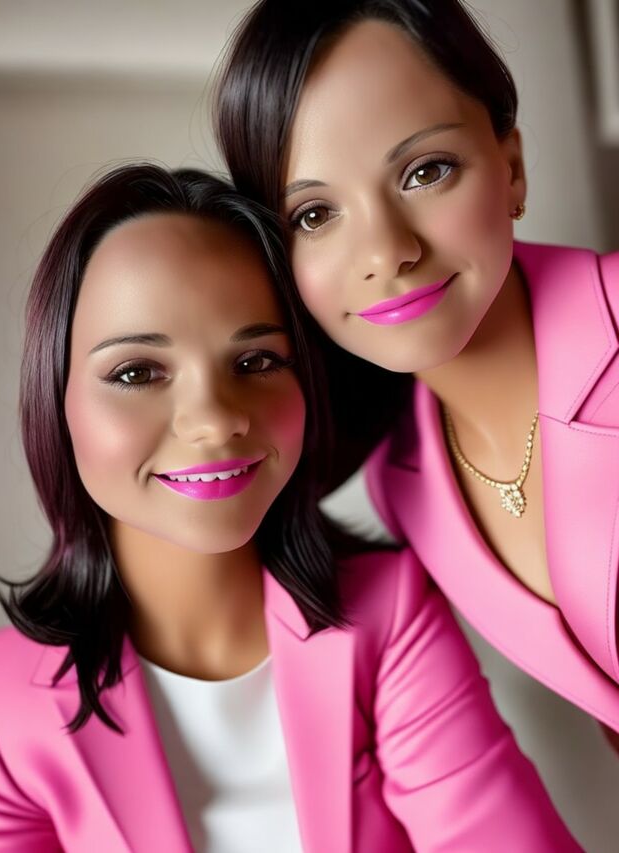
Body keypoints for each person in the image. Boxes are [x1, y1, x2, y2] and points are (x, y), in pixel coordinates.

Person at [0, 164, 578, 851]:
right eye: (137, 372)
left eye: (257, 361)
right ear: (56, 403)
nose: (214, 419)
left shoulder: (391, 616)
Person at [213, 0, 619, 734]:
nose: (387, 252)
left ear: (512, 169)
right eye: (314, 215)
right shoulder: (404, 482)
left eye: (426, 171)